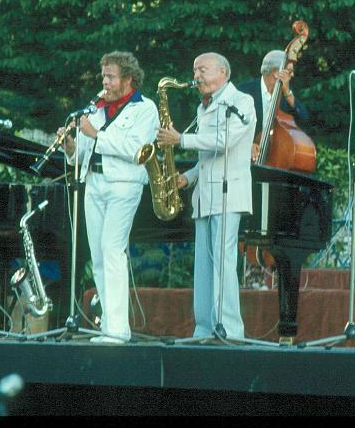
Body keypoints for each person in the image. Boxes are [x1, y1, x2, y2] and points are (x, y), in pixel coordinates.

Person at [60, 51, 159, 344]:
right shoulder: (97, 108)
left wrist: (96, 134)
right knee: (99, 256)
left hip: (124, 185)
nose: (105, 82)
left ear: (128, 79)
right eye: (103, 76)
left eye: (111, 76)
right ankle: (108, 325)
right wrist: (70, 148)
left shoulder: (145, 108)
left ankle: (118, 329)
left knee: (113, 249)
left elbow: (136, 149)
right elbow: (83, 153)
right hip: (94, 183)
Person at [156, 52, 256, 340]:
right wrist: (187, 178)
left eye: (203, 69)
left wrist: (180, 140)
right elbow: (208, 157)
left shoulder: (241, 102)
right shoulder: (205, 106)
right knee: (203, 266)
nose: (196, 75)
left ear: (223, 72)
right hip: (205, 195)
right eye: (194, 70)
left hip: (229, 193)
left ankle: (230, 329)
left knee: (224, 262)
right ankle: (203, 327)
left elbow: (224, 142)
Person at [237, 49, 310, 163]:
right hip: (244, 159)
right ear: (276, 72)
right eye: (289, 71)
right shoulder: (244, 91)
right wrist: (247, 144)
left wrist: (288, 93)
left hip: (275, 159)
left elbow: (304, 120)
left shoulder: (287, 95)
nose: (292, 75)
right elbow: (231, 126)